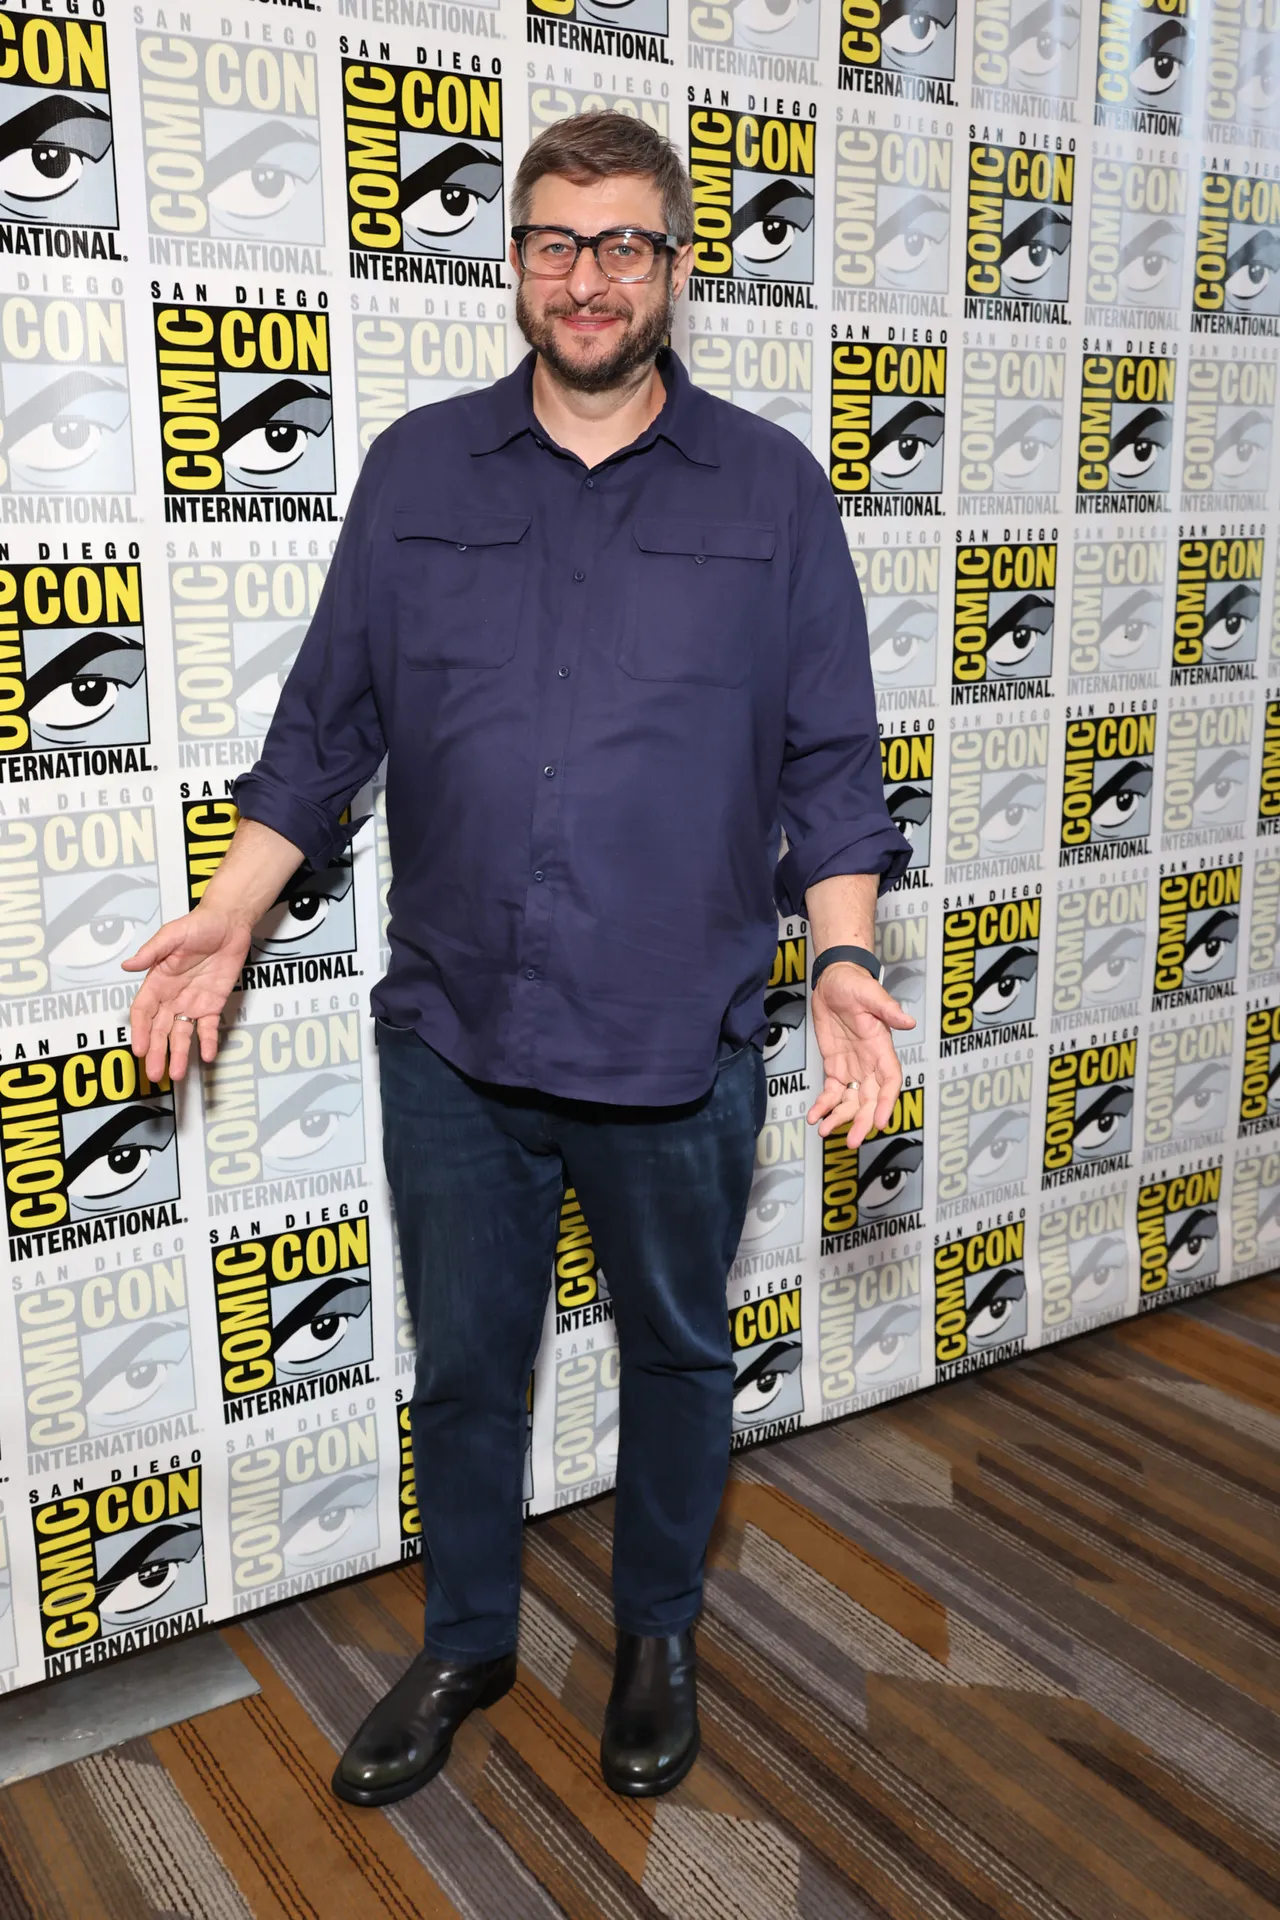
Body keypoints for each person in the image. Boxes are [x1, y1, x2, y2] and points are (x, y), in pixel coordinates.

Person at [125, 112, 913, 1805]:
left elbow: (832, 775)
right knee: (470, 1363)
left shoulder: (773, 490)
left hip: (674, 1035)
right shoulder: (417, 471)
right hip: (459, 1040)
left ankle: (655, 1635)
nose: (588, 275)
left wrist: (841, 963)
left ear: (680, 267)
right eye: (556, 242)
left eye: (624, 243)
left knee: (680, 1356)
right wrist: (234, 908)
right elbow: (321, 734)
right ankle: (470, 1636)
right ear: (516, 265)